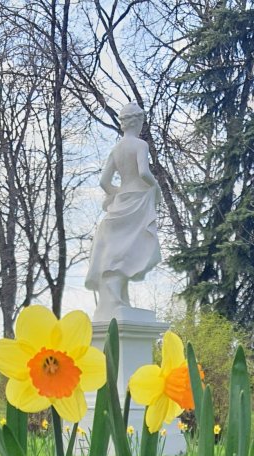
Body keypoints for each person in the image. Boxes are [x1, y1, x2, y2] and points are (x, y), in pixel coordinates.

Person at [84, 102, 162, 321]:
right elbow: (144, 173)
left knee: (122, 247)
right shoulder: (140, 145)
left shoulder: (116, 149)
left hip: (123, 201)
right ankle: (116, 295)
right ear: (137, 122)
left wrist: (118, 193)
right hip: (138, 199)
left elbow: (104, 182)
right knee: (132, 246)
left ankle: (119, 297)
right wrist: (156, 187)